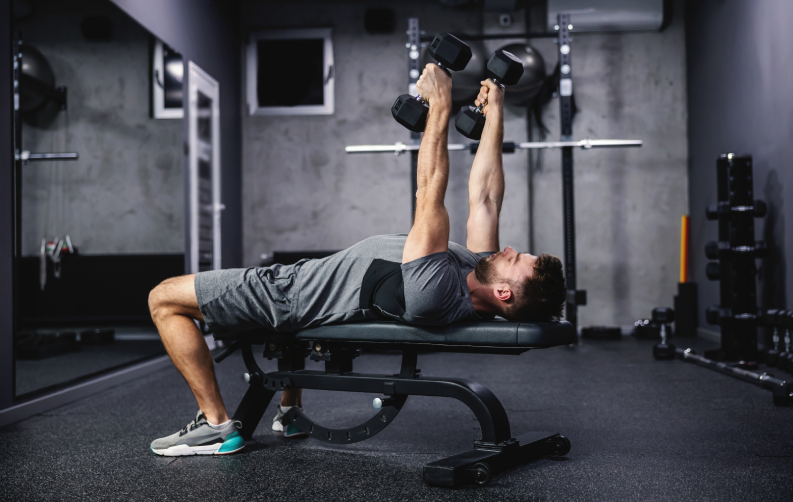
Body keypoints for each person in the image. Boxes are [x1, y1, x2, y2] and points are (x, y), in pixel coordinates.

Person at [147, 64, 566, 456]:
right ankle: (289, 412)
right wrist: (495, 114)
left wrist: (439, 107)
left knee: (163, 298)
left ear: (504, 291)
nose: (508, 250)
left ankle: (216, 423)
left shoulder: (437, 291)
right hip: (305, 281)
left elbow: (429, 193)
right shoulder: (479, 269)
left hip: (286, 296)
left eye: (515, 259)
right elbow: (487, 195)